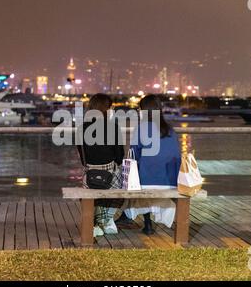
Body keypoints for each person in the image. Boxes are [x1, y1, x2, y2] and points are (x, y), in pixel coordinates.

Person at [122, 94, 181, 235]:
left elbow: (133, 154)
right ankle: (133, 217)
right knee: (147, 173)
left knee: (136, 178)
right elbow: (176, 156)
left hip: (147, 183)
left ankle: (146, 223)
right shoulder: (169, 130)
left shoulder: (141, 128)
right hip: (171, 182)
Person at [77, 93, 125, 237]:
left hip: (90, 174)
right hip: (109, 172)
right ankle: (106, 219)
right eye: (111, 108)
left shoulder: (81, 128)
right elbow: (119, 157)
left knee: (95, 188)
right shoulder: (113, 127)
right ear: (106, 109)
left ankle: (96, 223)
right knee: (122, 187)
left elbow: (82, 157)